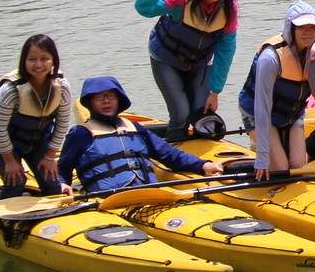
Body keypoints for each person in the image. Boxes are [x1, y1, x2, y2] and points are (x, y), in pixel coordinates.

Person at [57, 76, 222, 194]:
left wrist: (202, 165)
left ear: (119, 100)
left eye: (110, 96)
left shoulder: (135, 128)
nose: (106, 101)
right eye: (99, 98)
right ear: (90, 103)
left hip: (149, 193)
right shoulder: (81, 134)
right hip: (109, 199)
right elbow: (62, 169)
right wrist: (62, 184)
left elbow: (169, 154)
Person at [135, 0, 239, 142]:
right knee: (181, 113)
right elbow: (145, 8)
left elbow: (226, 52)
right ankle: (175, 143)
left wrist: (215, 92)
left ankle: (198, 150)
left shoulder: (229, 10)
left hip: (200, 63)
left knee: (202, 112)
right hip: (165, 60)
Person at [238, 1, 315, 180]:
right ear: (290, 29)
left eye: (312, 27)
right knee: (281, 168)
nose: (308, 32)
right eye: (301, 27)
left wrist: (313, 69)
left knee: (298, 166)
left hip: (292, 113)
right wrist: (262, 156)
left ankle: (276, 154)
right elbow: (262, 106)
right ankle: (259, 166)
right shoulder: (271, 57)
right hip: (259, 112)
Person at [0, 34, 73, 195]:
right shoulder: (10, 90)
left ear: (53, 61)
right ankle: (1, 208)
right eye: (32, 59)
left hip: (38, 140)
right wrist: (10, 161)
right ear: (24, 61)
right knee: (15, 183)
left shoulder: (62, 86)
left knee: (52, 186)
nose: (38, 65)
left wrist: (50, 157)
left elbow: (62, 124)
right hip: (2, 140)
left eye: (45, 59)